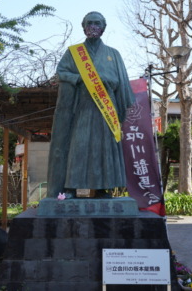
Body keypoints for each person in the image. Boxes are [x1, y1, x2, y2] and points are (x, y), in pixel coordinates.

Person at [47, 11, 135, 199]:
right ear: (84, 27)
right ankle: (71, 187)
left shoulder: (113, 54)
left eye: (97, 23)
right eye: (89, 23)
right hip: (83, 108)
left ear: (103, 28)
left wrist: (107, 82)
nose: (93, 26)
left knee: (104, 148)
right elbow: (61, 73)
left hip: (107, 110)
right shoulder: (74, 52)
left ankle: (104, 188)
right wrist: (79, 79)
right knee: (79, 146)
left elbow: (123, 84)